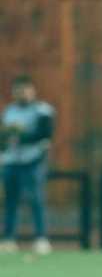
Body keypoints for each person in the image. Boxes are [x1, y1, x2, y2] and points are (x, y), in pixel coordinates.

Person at [1, 75, 55, 255]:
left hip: (33, 160)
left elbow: (45, 133)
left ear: (32, 90)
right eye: (17, 90)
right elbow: (3, 138)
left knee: (36, 199)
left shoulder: (42, 110)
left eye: (24, 90)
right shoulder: (9, 111)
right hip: (11, 161)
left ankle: (41, 238)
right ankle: (8, 238)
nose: (21, 94)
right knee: (10, 201)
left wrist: (21, 135)